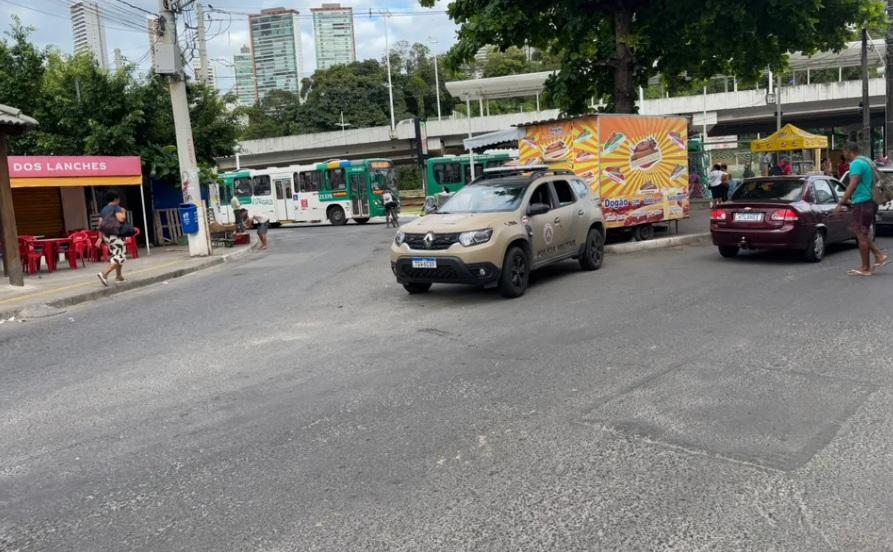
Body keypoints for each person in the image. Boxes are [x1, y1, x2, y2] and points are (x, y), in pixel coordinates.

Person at [834, 142, 888, 276]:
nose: (843, 154)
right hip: (871, 200)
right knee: (862, 233)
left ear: (848, 151)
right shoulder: (867, 161)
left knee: (860, 235)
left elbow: (853, 184)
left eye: (843, 152)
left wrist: (842, 202)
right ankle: (879, 255)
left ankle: (865, 268)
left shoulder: (856, 164)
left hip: (863, 202)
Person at [96, 207, 137, 286]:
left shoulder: (104, 211)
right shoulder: (117, 209)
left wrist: (100, 237)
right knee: (120, 256)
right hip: (116, 236)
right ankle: (104, 274)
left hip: (107, 237)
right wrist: (124, 212)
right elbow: (122, 219)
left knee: (117, 255)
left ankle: (119, 276)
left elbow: (100, 225)